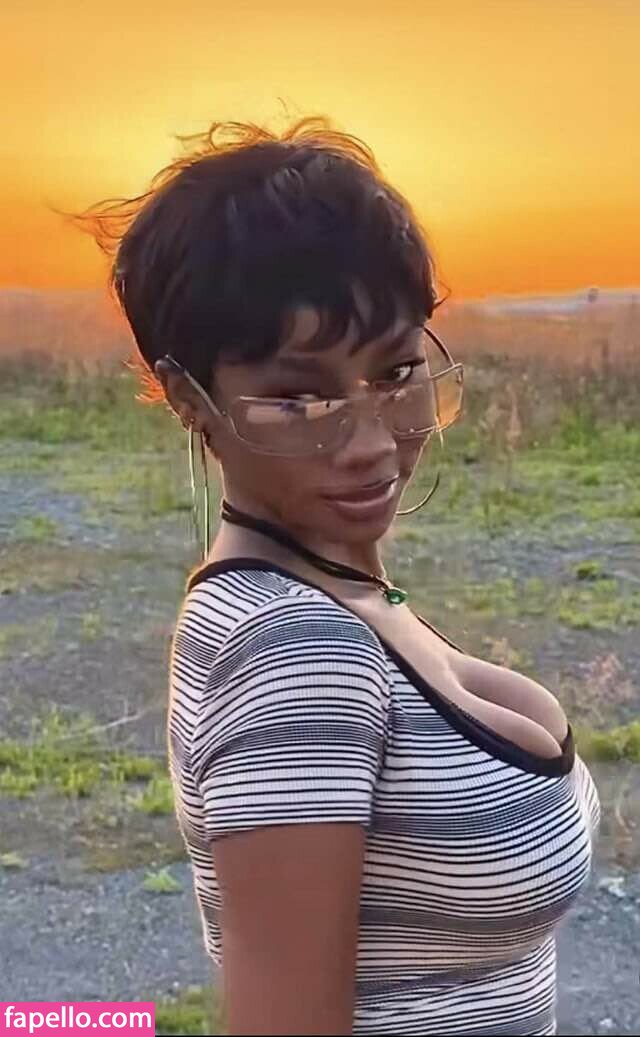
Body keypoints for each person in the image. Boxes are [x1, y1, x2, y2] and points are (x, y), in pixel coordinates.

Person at [80, 116, 600, 1035]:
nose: (368, 442)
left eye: (395, 371)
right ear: (190, 397)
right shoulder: (290, 647)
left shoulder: (336, 590)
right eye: (298, 395)